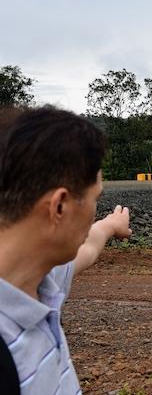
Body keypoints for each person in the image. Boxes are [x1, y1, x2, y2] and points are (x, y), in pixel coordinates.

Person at [0, 106, 131, 394]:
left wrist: (111, 224)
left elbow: (89, 247)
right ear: (59, 206)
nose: (94, 212)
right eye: (94, 197)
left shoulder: (42, 277)